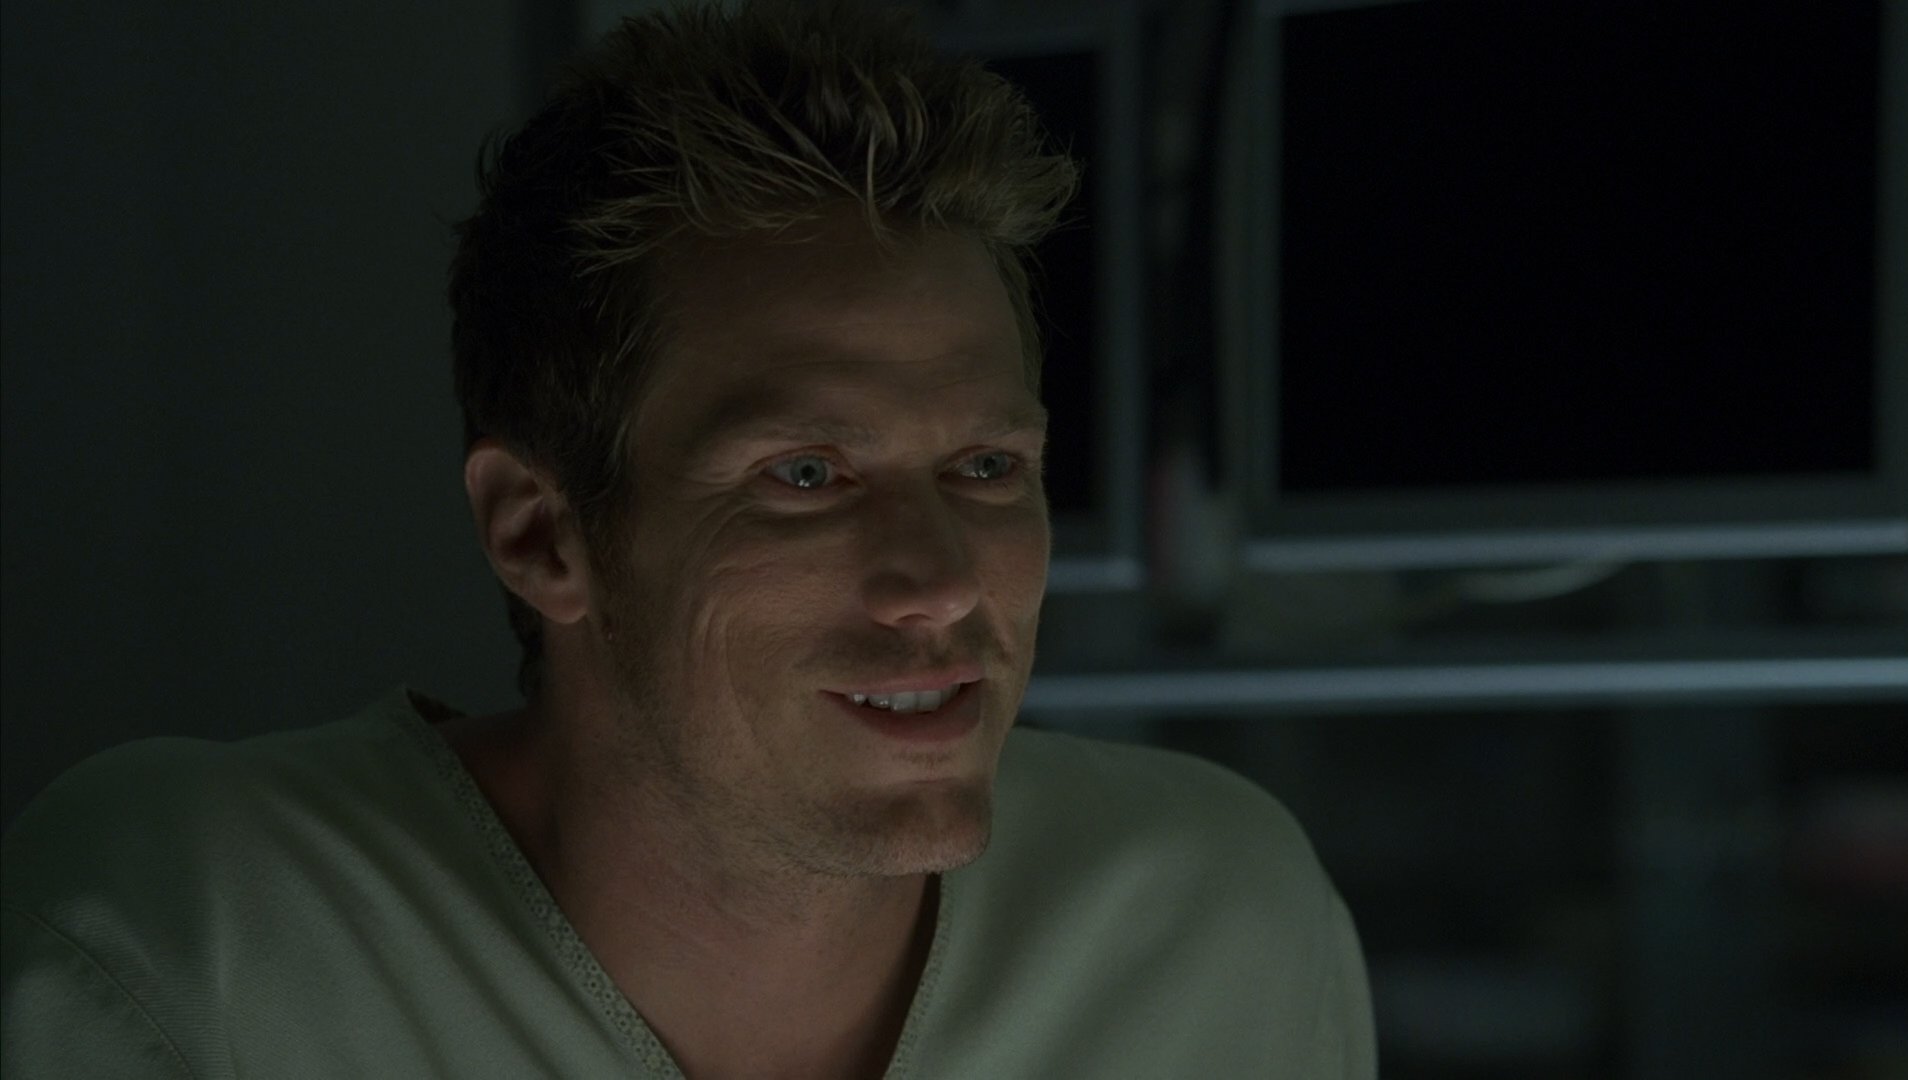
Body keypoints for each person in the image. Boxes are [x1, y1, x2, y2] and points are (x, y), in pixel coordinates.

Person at [0, 2, 1374, 1076]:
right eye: (807, 475)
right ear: (541, 535)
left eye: (985, 466)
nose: (943, 580)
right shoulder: (195, 944)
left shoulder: (1221, 930)